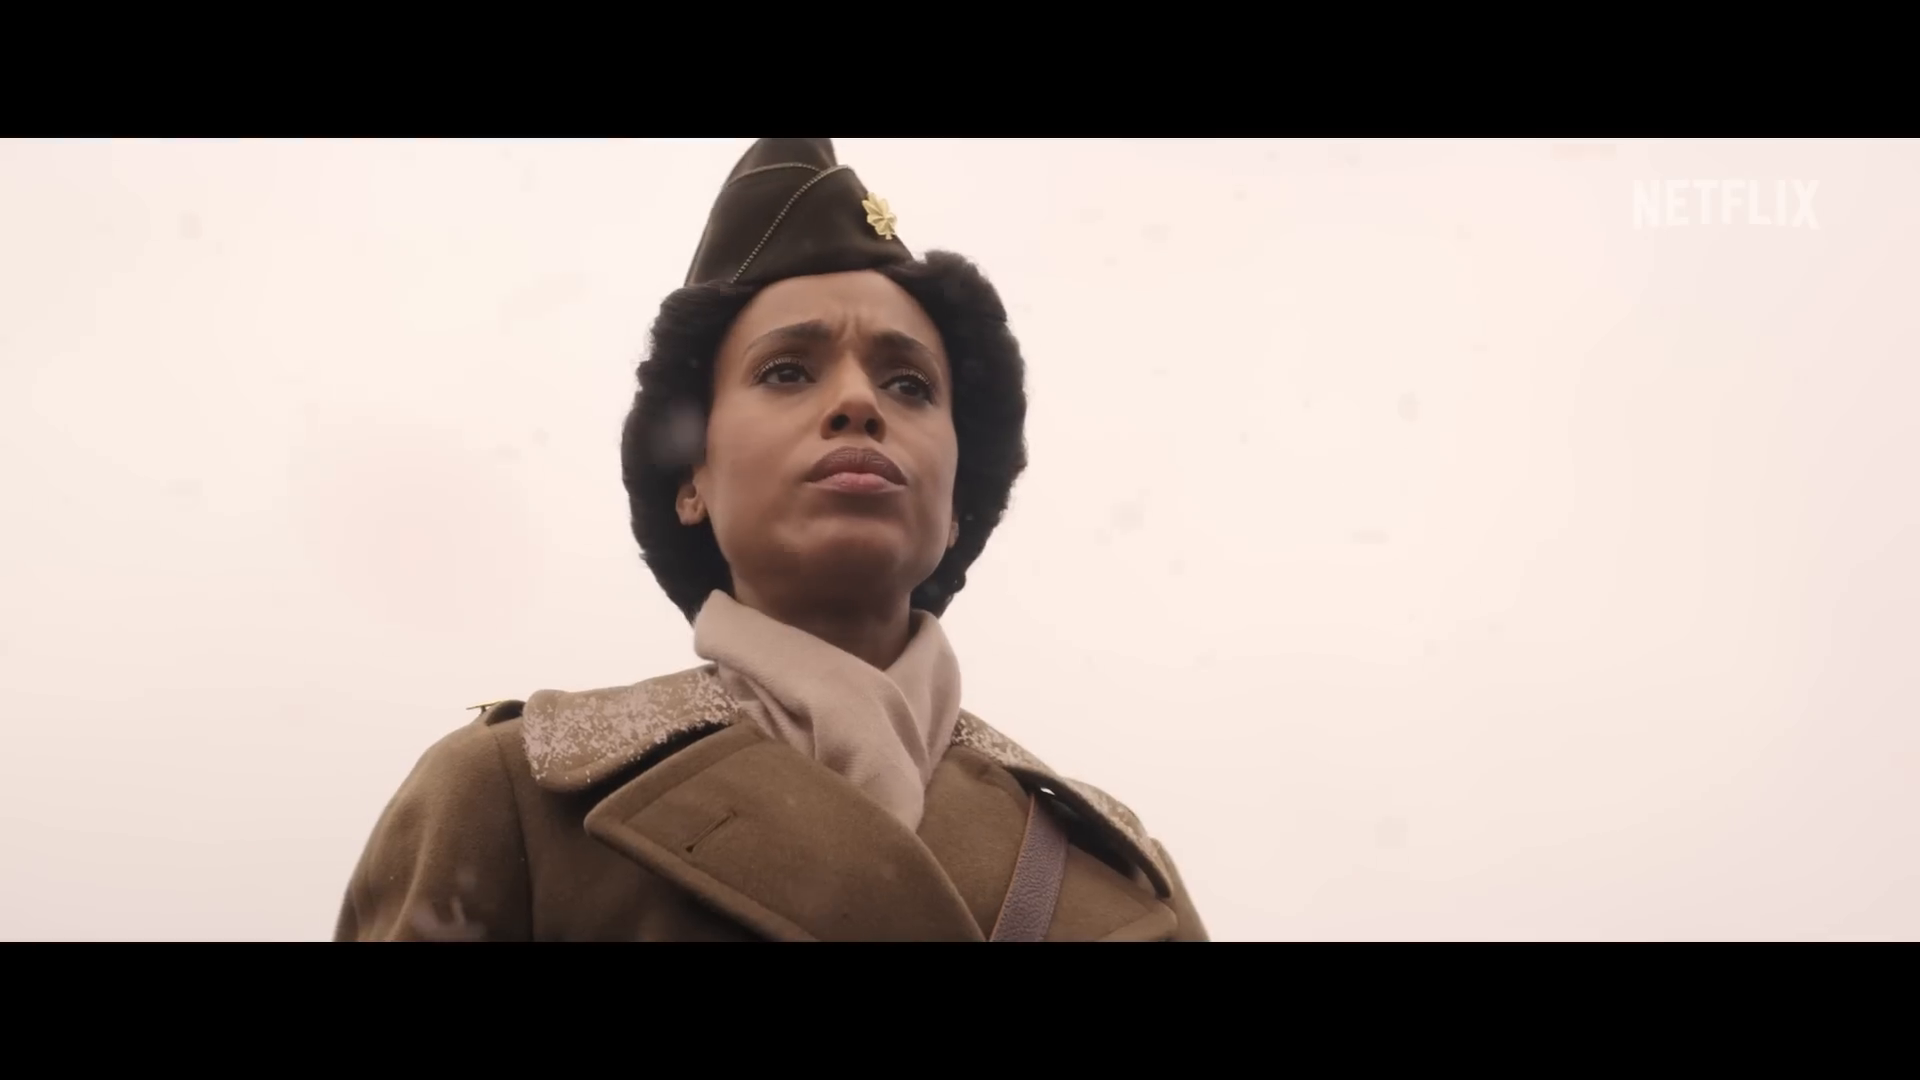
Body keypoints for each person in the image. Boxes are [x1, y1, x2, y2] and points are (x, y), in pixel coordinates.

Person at [333, 138, 1208, 941]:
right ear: (693, 479)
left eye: (909, 385)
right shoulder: (514, 796)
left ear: (954, 508)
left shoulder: (1120, 875)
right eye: (787, 371)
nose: (858, 402)